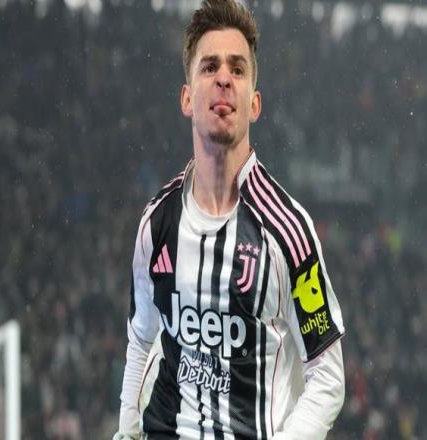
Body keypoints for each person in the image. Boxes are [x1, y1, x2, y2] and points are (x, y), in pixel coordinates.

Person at [114, 0, 345, 438]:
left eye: (237, 69)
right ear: (187, 98)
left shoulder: (288, 232)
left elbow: (328, 376)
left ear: (254, 104)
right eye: (210, 67)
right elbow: (142, 341)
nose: (223, 78)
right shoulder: (157, 223)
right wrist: (126, 430)